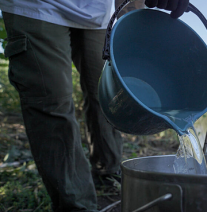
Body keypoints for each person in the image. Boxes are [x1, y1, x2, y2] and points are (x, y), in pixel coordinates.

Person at [0, 0, 189, 211]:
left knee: (110, 95)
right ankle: (77, 205)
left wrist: (136, 22)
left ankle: (106, 172)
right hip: (36, 7)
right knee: (52, 104)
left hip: (96, 16)